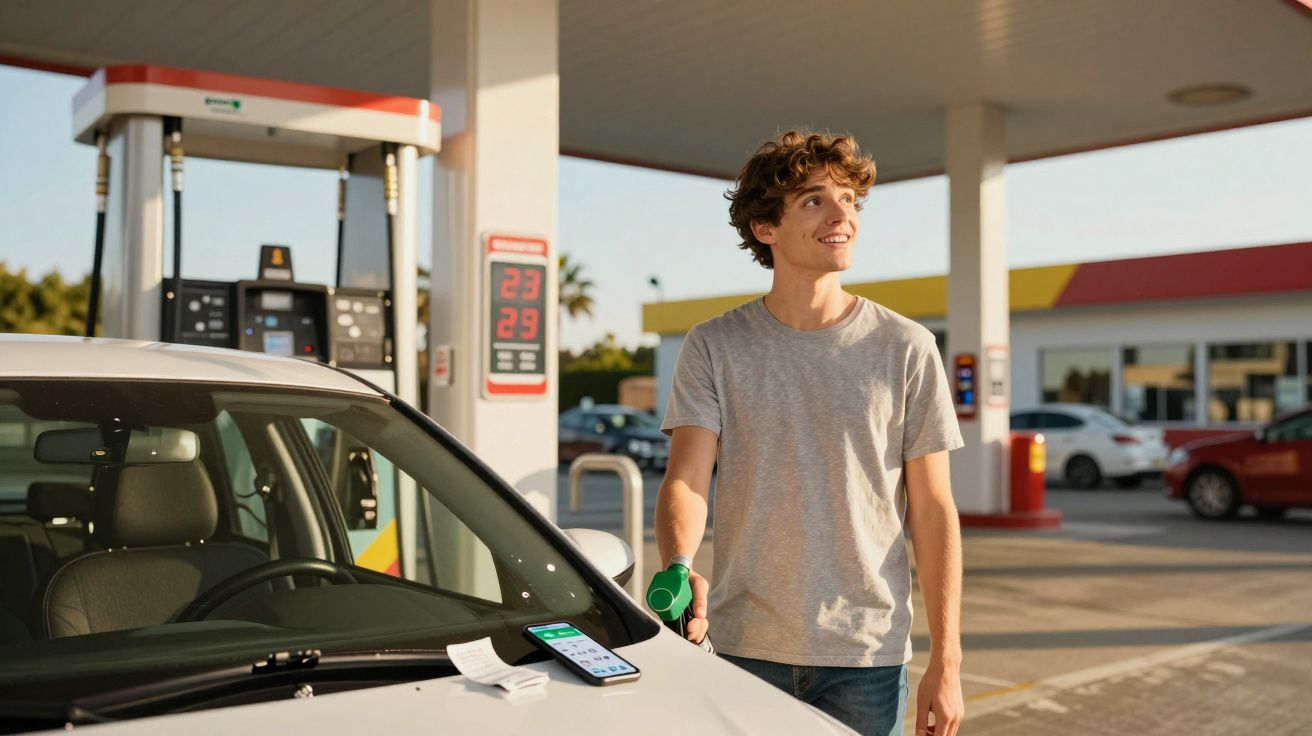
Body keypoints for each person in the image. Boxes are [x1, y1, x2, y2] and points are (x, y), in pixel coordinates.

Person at [654, 130, 965, 736]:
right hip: (743, 644)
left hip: (866, 659)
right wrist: (678, 563)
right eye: (815, 200)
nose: (843, 213)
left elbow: (933, 509)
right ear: (765, 229)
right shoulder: (715, 345)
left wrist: (946, 659)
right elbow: (687, 479)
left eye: (850, 198)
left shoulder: (908, 348)